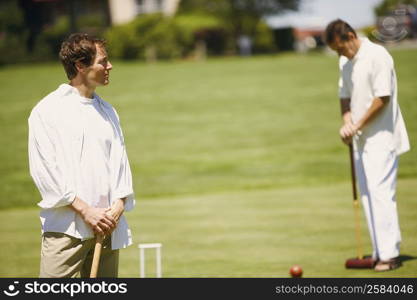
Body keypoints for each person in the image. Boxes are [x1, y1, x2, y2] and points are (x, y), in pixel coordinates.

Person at [28, 33, 135, 277]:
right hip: (66, 230)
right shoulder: (48, 110)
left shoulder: (108, 111)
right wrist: (86, 210)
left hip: (106, 230)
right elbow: (44, 170)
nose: (110, 66)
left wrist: (119, 203)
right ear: (80, 66)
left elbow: (120, 162)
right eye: (103, 61)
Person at [324, 19, 410, 271]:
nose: (339, 54)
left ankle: (389, 255)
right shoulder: (345, 61)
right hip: (361, 140)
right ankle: (379, 251)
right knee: (367, 195)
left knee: (381, 194)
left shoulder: (377, 55)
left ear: (351, 36)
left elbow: (382, 97)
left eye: (340, 48)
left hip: (383, 137)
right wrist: (347, 122)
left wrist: (357, 124)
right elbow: (345, 96)